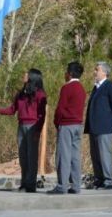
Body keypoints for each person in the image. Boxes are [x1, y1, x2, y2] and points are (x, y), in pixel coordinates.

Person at [0, 68, 47, 192]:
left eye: (27, 74)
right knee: (23, 156)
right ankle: (24, 183)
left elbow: (42, 115)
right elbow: (12, 109)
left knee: (32, 157)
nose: (24, 75)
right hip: (21, 126)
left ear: (33, 77)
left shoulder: (40, 94)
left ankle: (31, 184)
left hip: (33, 127)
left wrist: (38, 130)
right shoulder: (21, 94)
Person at [48, 61, 86, 194]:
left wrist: (56, 122)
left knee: (63, 156)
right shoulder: (81, 88)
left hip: (66, 124)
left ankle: (62, 185)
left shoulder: (66, 88)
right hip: (78, 125)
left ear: (69, 74)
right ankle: (76, 185)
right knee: (75, 155)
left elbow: (60, 108)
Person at [84, 61, 112, 190]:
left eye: (97, 69)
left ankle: (108, 181)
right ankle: (98, 179)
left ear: (104, 72)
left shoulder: (110, 86)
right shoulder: (96, 87)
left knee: (105, 154)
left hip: (105, 127)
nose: (94, 72)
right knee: (95, 155)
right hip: (93, 127)